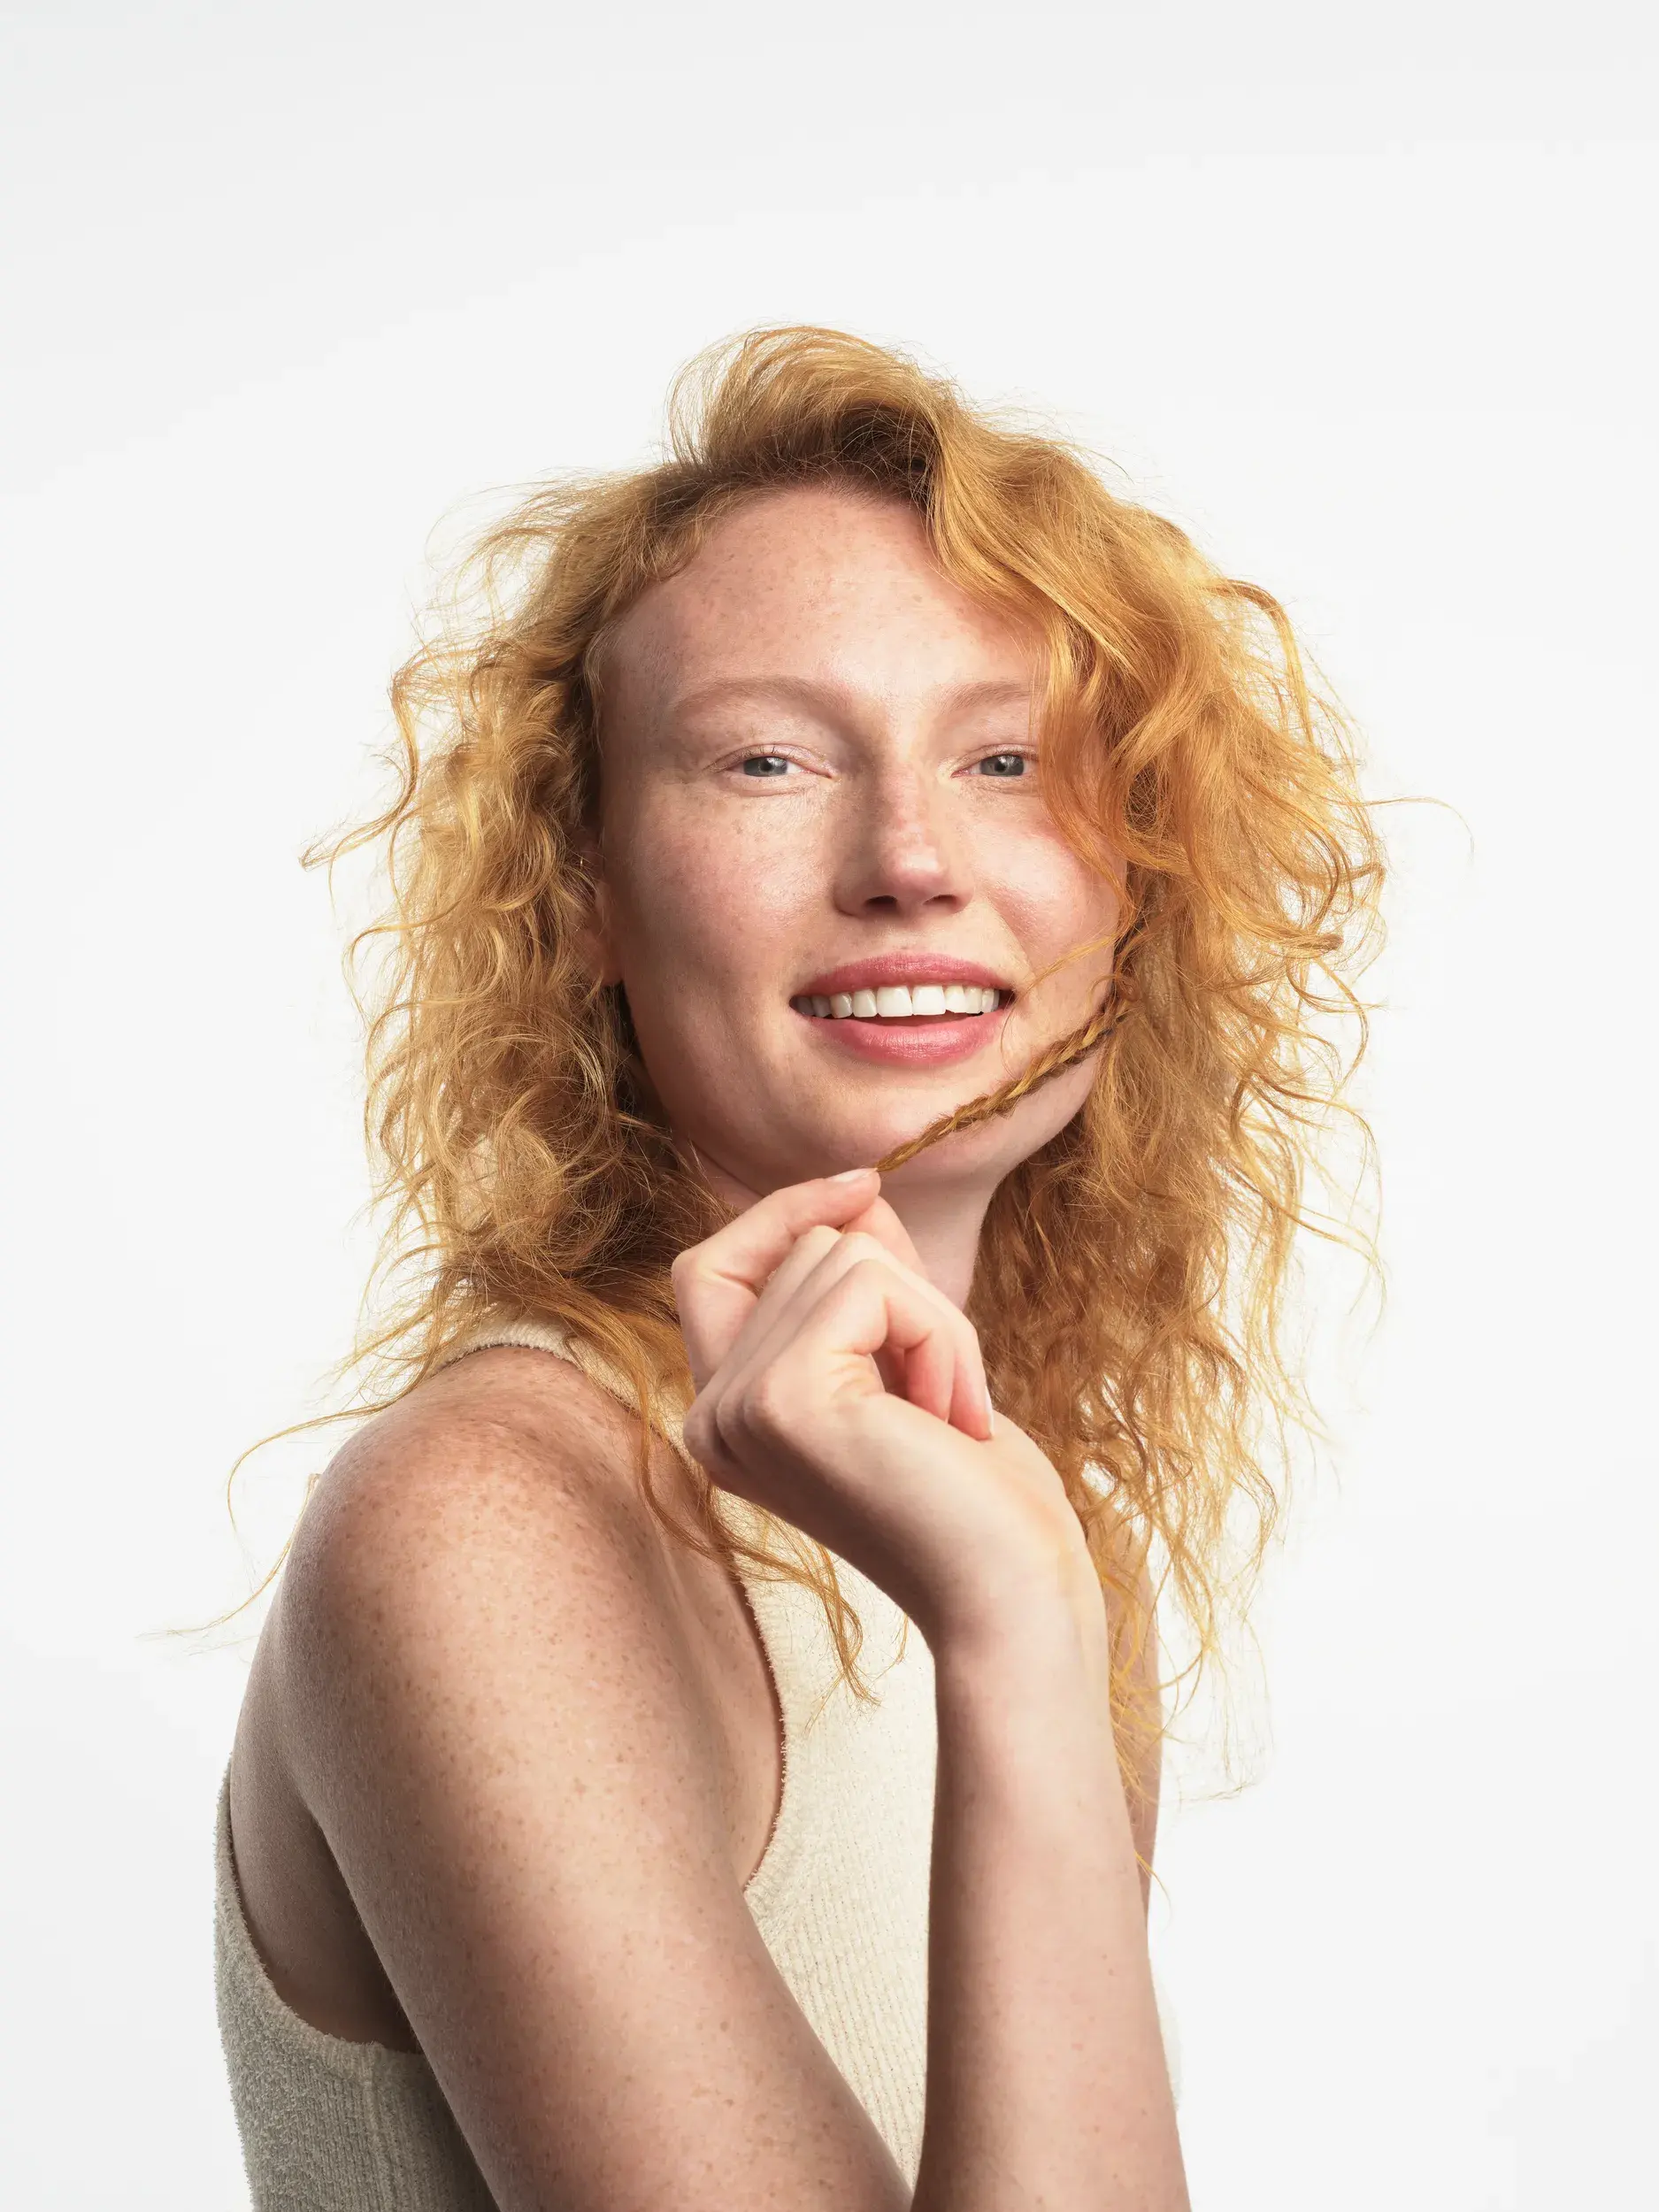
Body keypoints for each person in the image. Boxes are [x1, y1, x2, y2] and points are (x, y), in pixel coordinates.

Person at [214, 326, 1382, 2211]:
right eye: (765, 758)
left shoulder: (1016, 1502)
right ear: (582, 884)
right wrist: (1014, 1623)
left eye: (1008, 758)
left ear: (1136, 879)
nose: (910, 855)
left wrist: (1023, 1602)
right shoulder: (490, 1518)